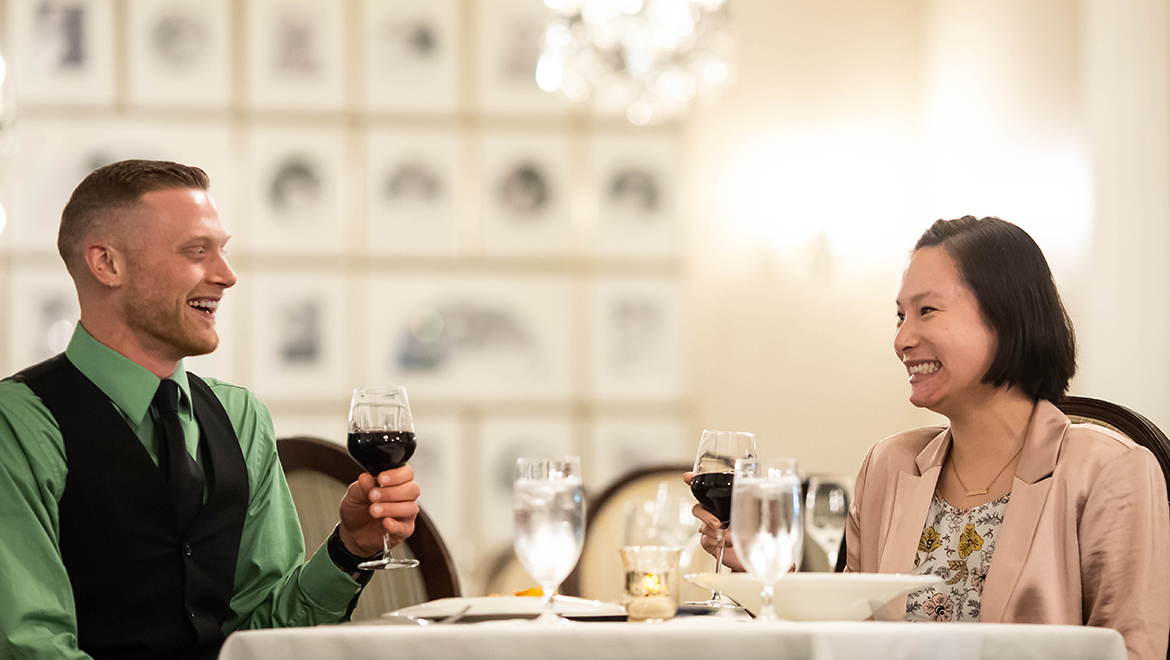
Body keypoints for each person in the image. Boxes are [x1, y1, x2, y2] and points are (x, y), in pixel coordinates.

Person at [691, 216, 1169, 660]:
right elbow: (847, 636)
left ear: (1006, 317)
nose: (902, 339)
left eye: (927, 311)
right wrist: (761, 573)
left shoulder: (1110, 470)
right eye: (900, 316)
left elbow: (1134, 650)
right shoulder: (890, 465)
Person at [0, 160, 421, 660]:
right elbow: (33, 648)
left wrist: (349, 549)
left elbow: (262, 636)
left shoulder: (241, 416)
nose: (226, 275)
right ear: (107, 264)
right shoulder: (18, 424)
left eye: (222, 251)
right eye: (197, 252)